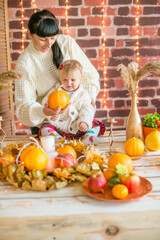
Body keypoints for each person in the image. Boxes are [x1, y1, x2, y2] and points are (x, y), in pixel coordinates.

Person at [15, 9, 100, 136]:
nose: (48, 44)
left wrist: (88, 101)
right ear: (30, 34)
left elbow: (90, 76)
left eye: (52, 38)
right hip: (50, 126)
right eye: (43, 39)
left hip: (79, 122)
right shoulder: (25, 64)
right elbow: (23, 110)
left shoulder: (66, 43)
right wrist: (44, 111)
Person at [40, 60, 105, 144]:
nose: (69, 83)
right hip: (59, 126)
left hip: (77, 126)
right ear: (60, 78)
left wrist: (84, 122)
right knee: (44, 128)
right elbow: (45, 105)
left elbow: (87, 109)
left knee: (95, 124)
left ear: (80, 79)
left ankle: (88, 137)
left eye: (73, 80)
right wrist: (52, 116)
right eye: (65, 80)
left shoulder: (83, 94)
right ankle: (60, 140)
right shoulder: (54, 92)